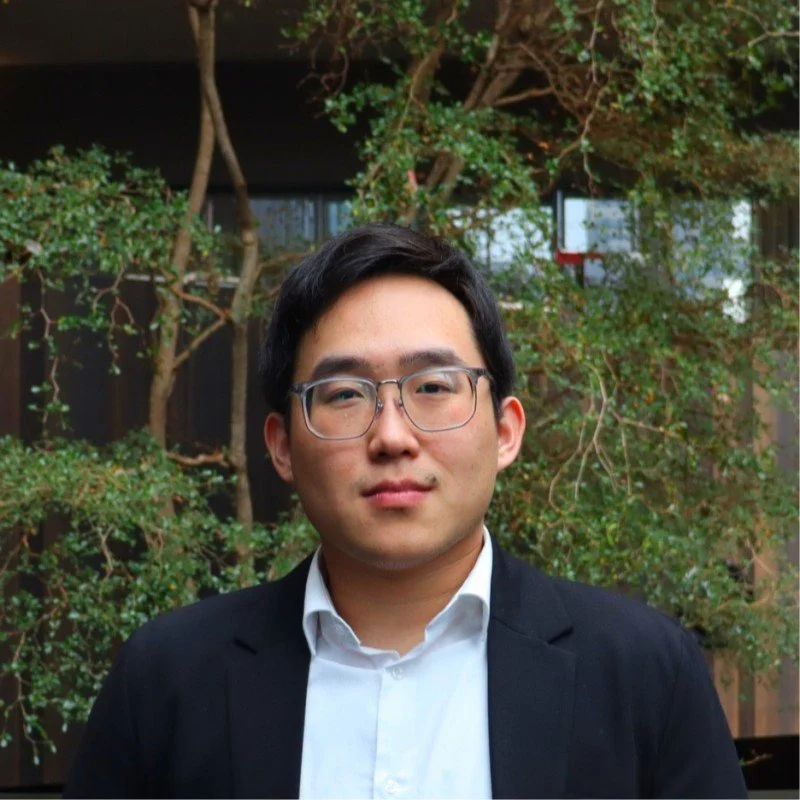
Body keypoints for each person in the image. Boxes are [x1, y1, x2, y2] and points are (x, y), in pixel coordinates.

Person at [64, 223, 747, 798]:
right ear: (282, 446)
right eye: (344, 394)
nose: (392, 436)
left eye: (432, 386)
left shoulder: (644, 673)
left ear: (506, 430)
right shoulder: (166, 681)